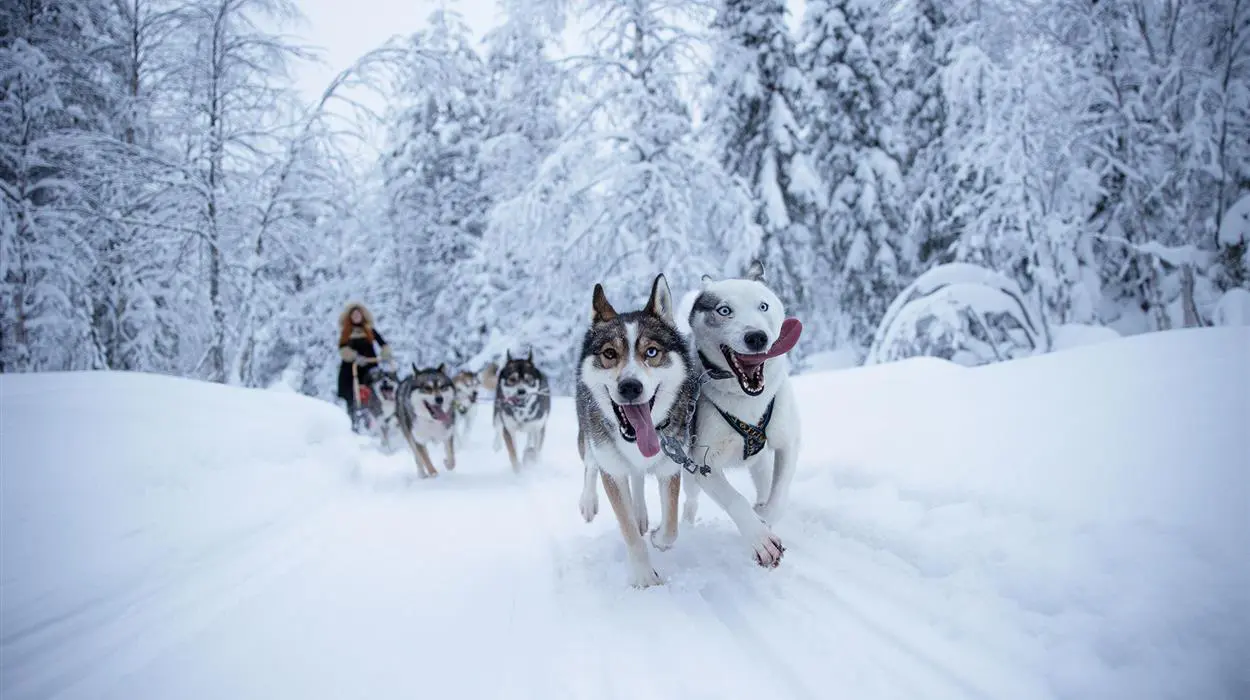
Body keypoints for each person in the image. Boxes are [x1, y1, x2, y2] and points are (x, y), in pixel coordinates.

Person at [336, 301, 393, 431]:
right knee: (353, 396)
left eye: (358, 314)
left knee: (375, 392)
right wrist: (355, 357)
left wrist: (385, 353)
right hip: (351, 369)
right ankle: (354, 424)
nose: (356, 317)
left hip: (370, 367)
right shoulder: (347, 332)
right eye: (354, 315)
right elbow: (343, 349)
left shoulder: (369, 330)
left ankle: (380, 422)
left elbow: (382, 343)